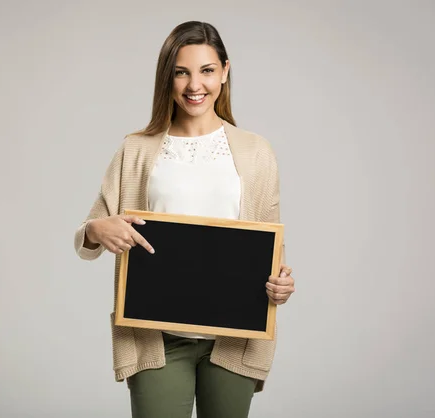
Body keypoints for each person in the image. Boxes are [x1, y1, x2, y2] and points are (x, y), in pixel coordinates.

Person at [74, 20, 295, 418]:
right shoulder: (136, 150)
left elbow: (270, 243)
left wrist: (281, 282)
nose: (196, 85)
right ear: (168, 78)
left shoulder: (256, 152)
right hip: (155, 335)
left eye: (207, 71)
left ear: (225, 72)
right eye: (182, 72)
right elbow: (90, 232)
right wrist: (96, 229)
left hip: (233, 337)